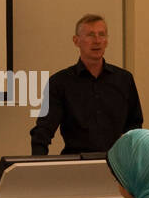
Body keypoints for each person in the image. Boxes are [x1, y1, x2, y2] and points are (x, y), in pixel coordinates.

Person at [29, 14, 143, 155]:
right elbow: (44, 130)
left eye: (101, 35)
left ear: (107, 41)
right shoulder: (60, 82)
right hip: (75, 165)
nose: (97, 41)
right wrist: (37, 167)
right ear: (76, 41)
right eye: (90, 35)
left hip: (117, 164)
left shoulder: (124, 79)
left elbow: (134, 126)